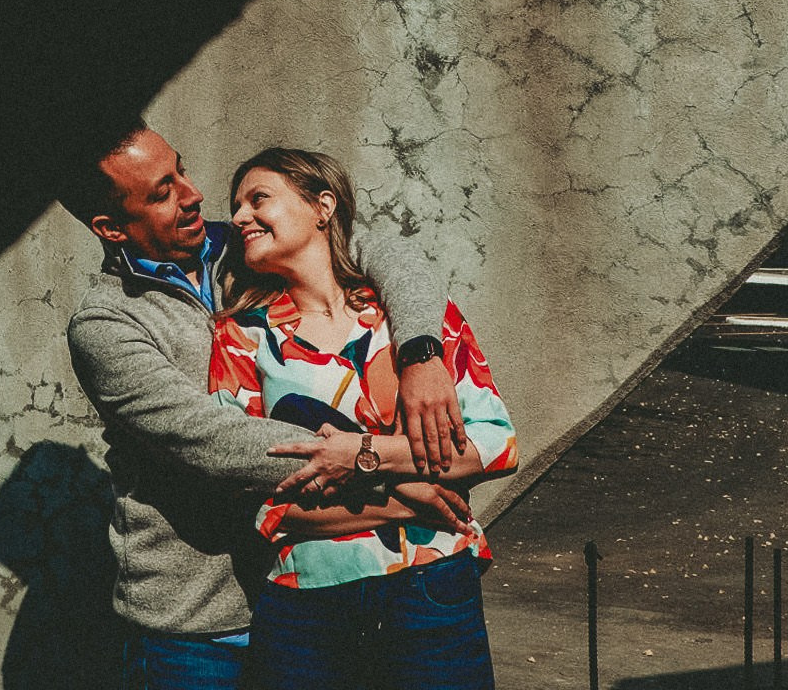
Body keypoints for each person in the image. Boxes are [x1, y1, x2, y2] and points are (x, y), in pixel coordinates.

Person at [63, 125, 478, 690]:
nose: (191, 195)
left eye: (181, 171)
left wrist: (421, 351)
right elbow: (214, 441)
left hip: (307, 591)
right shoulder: (106, 325)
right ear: (110, 227)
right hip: (202, 626)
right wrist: (393, 480)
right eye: (162, 192)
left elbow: (381, 250)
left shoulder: (241, 248)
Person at [210, 147, 516, 690]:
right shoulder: (242, 339)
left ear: (322, 206)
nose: (238, 218)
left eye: (258, 199)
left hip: (432, 589)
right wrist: (409, 496)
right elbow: (253, 500)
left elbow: (495, 445)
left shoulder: (416, 319)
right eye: (236, 206)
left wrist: (359, 456)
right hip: (308, 606)